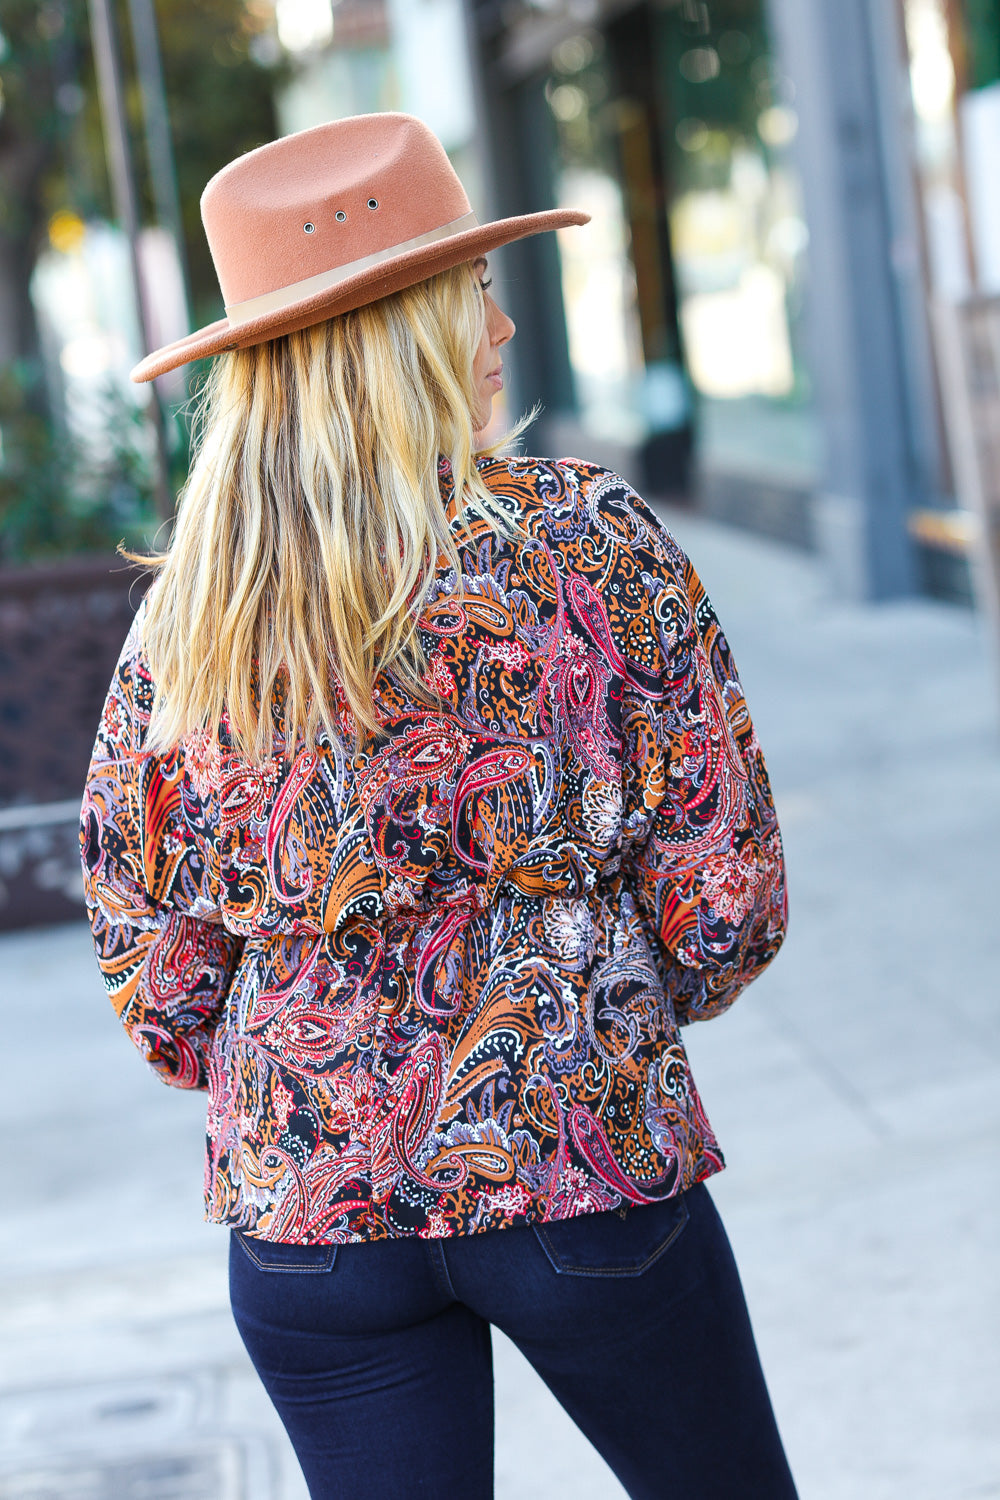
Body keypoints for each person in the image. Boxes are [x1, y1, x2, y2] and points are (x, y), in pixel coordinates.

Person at [81, 113, 797, 1500]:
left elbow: (153, 962)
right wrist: (595, 989)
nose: (503, 327)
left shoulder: (190, 623)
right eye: (472, 289)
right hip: (577, 1147)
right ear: (401, 331)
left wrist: (299, 1060)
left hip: (309, 1219)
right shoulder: (587, 545)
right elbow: (727, 902)